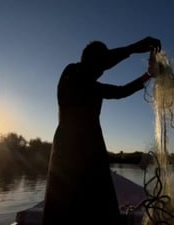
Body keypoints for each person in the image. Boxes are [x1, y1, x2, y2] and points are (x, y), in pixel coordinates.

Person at [42, 36, 161, 225]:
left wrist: (148, 75)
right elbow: (109, 70)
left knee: (99, 208)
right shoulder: (71, 73)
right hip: (68, 153)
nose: (102, 72)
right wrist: (133, 47)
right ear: (93, 61)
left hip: (93, 152)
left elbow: (121, 91)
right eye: (101, 65)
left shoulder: (93, 86)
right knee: (64, 208)